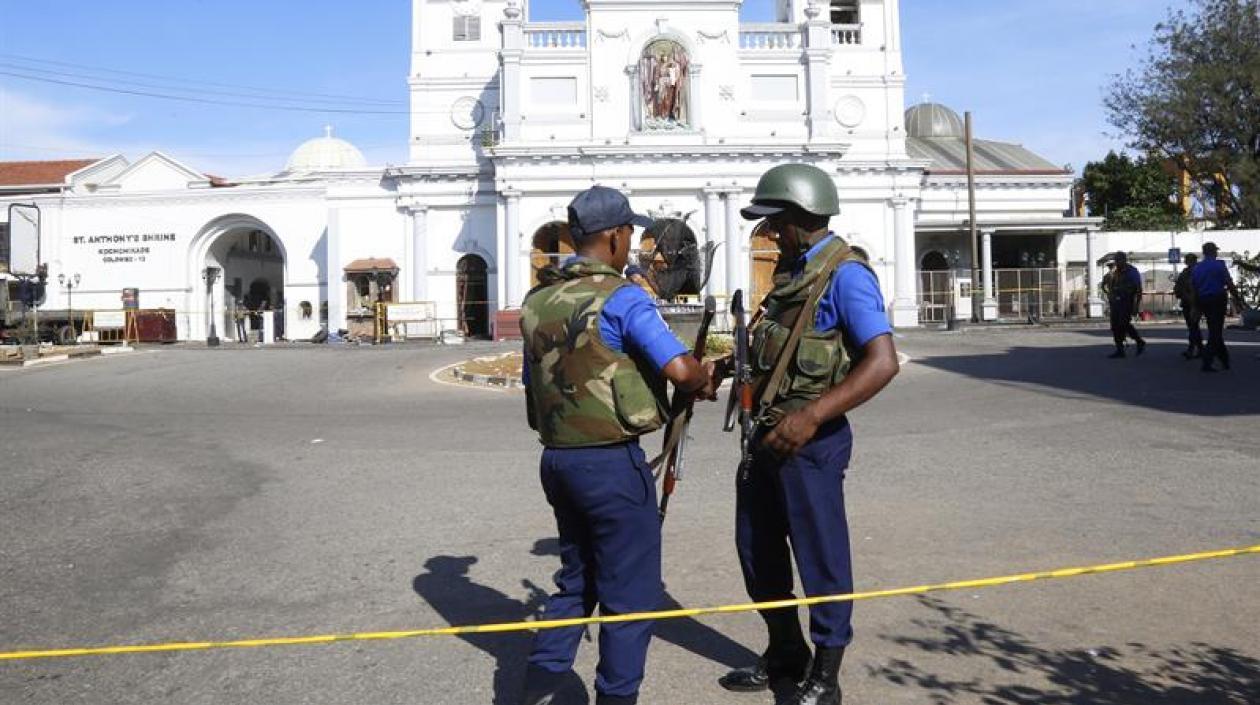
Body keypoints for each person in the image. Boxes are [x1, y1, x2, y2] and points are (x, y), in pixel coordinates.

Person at [710, 163, 901, 705]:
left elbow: (882, 362)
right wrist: (726, 368)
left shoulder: (845, 275)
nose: (770, 231)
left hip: (810, 444)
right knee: (757, 550)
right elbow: (776, 349)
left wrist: (812, 416)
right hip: (767, 438)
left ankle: (826, 674)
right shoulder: (792, 274)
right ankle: (785, 651)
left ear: (800, 216)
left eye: (775, 221)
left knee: (821, 558)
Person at [519, 185, 716, 705]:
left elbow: (533, 383)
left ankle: (536, 688)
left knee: (577, 580)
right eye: (630, 233)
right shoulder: (623, 297)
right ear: (613, 236)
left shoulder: (536, 302)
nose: (632, 243)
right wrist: (703, 376)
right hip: (610, 465)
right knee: (630, 595)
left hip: (558, 461)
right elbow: (681, 370)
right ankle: (617, 696)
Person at [1191, 241, 1245, 372]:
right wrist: (1237, 298)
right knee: (1215, 331)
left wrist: (1195, 305)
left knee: (1214, 329)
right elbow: (1228, 283)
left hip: (1203, 300)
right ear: (1213, 252)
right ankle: (1207, 361)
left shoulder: (1197, 268)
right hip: (1217, 299)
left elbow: (1194, 288)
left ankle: (1224, 359)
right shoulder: (1219, 265)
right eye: (1215, 251)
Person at [1106, 252, 1145, 358]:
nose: (1116, 262)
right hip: (1116, 303)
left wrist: (1136, 306)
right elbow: (1112, 286)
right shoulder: (1116, 272)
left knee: (1123, 324)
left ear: (1124, 260)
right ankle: (1120, 350)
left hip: (1127, 302)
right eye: (1116, 260)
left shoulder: (1132, 271)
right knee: (1115, 326)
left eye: (1118, 260)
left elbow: (1138, 289)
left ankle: (1139, 341)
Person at [1172, 253, 1203, 359]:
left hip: (1195, 302)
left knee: (1193, 326)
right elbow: (1178, 287)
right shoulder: (1186, 272)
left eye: (1189, 260)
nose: (1188, 262)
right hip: (1188, 302)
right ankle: (1199, 348)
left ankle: (1193, 349)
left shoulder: (1196, 272)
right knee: (1193, 326)